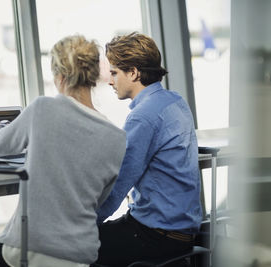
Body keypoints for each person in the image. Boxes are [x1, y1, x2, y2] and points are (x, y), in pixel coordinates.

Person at [0, 35, 126, 267]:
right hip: (80, 257)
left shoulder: (44, 108)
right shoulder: (117, 137)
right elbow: (100, 198)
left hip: (29, 250)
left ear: (60, 77)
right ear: (91, 77)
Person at [94, 32, 202, 266]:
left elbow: (119, 184)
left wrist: (81, 224)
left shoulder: (143, 117)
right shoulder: (175, 101)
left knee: (74, 245)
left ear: (133, 72)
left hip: (155, 234)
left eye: (114, 73)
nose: (110, 81)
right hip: (183, 231)